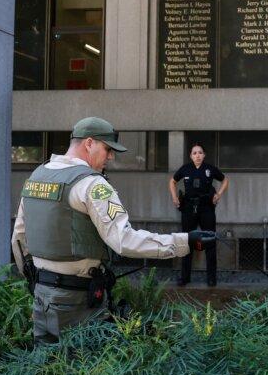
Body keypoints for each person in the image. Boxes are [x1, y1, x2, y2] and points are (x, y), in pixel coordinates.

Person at [11, 117, 215, 344]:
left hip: (42, 297)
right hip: (78, 301)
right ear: (89, 143)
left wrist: (37, 281)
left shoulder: (37, 176)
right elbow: (124, 240)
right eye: (108, 149)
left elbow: (19, 238)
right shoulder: (92, 184)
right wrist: (184, 242)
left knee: (45, 361)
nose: (111, 157)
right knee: (86, 363)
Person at [169, 143, 228, 287]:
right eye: (194, 153)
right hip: (189, 208)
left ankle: (211, 278)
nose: (197, 155)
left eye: (200, 152)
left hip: (206, 208)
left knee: (210, 241)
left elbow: (225, 180)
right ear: (191, 156)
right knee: (186, 242)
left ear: (204, 155)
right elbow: (172, 181)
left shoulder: (209, 169)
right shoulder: (186, 168)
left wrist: (218, 194)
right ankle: (185, 277)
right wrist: (175, 197)